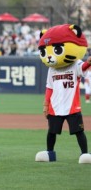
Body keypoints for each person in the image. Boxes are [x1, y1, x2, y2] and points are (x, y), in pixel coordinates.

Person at [35, 24, 91, 163]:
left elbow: (83, 67)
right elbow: (49, 87)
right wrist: (46, 104)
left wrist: (89, 62)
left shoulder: (75, 64)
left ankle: (85, 154)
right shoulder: (52, 69)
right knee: (51, 132)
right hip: (55, 105)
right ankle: (50, 153)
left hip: (72, 106)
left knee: (78, 132)